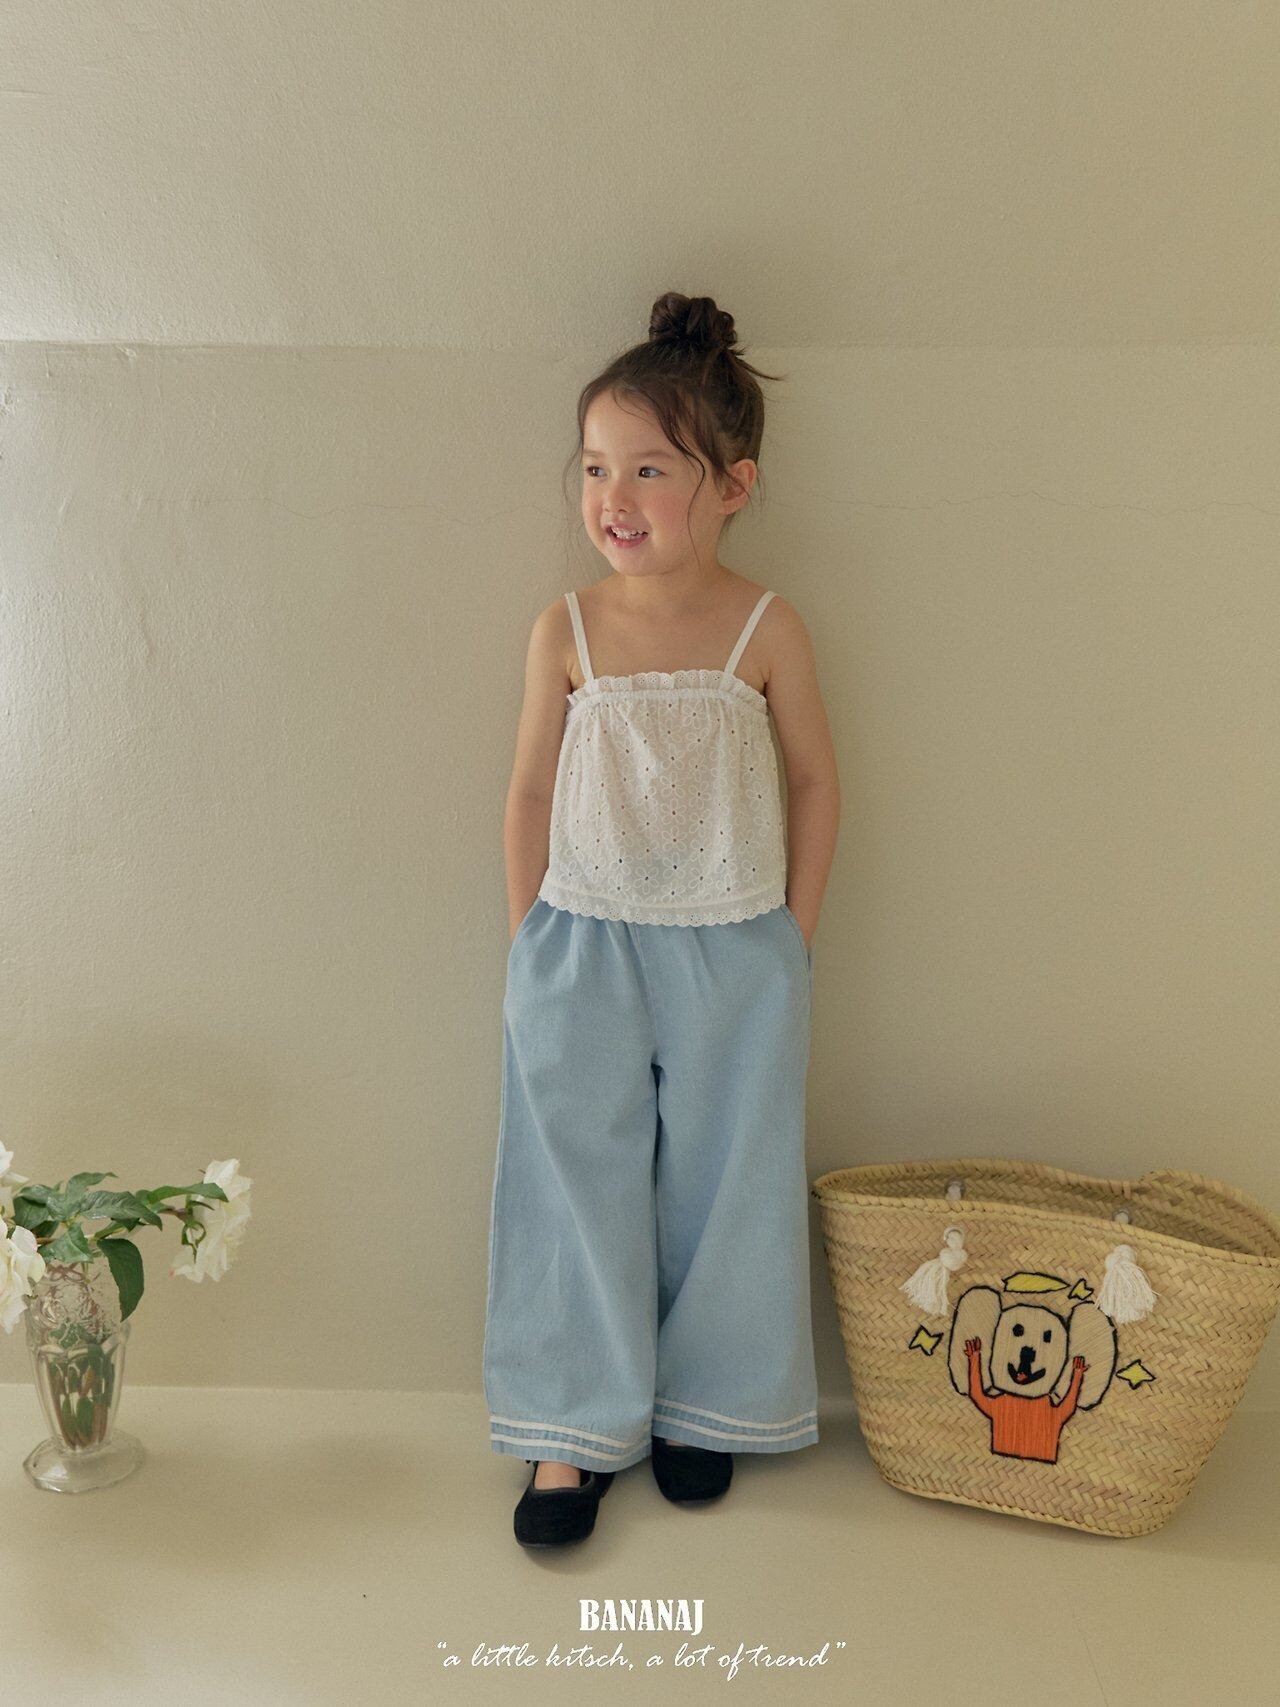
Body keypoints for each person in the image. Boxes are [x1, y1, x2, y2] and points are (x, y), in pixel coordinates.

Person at [482, 291, 840, 1549]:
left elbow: (814, 780)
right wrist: (530, 941)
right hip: (580, 942)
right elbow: (528, 791)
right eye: (594, 467)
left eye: (648, 468)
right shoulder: (565, 628)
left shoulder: (765, 627)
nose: (613, 495)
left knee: (728, 1178)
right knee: (570, 1176)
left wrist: (789, 941)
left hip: (735, 944)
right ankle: (567, 1430)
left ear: (730, 485)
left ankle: (708, 1407)